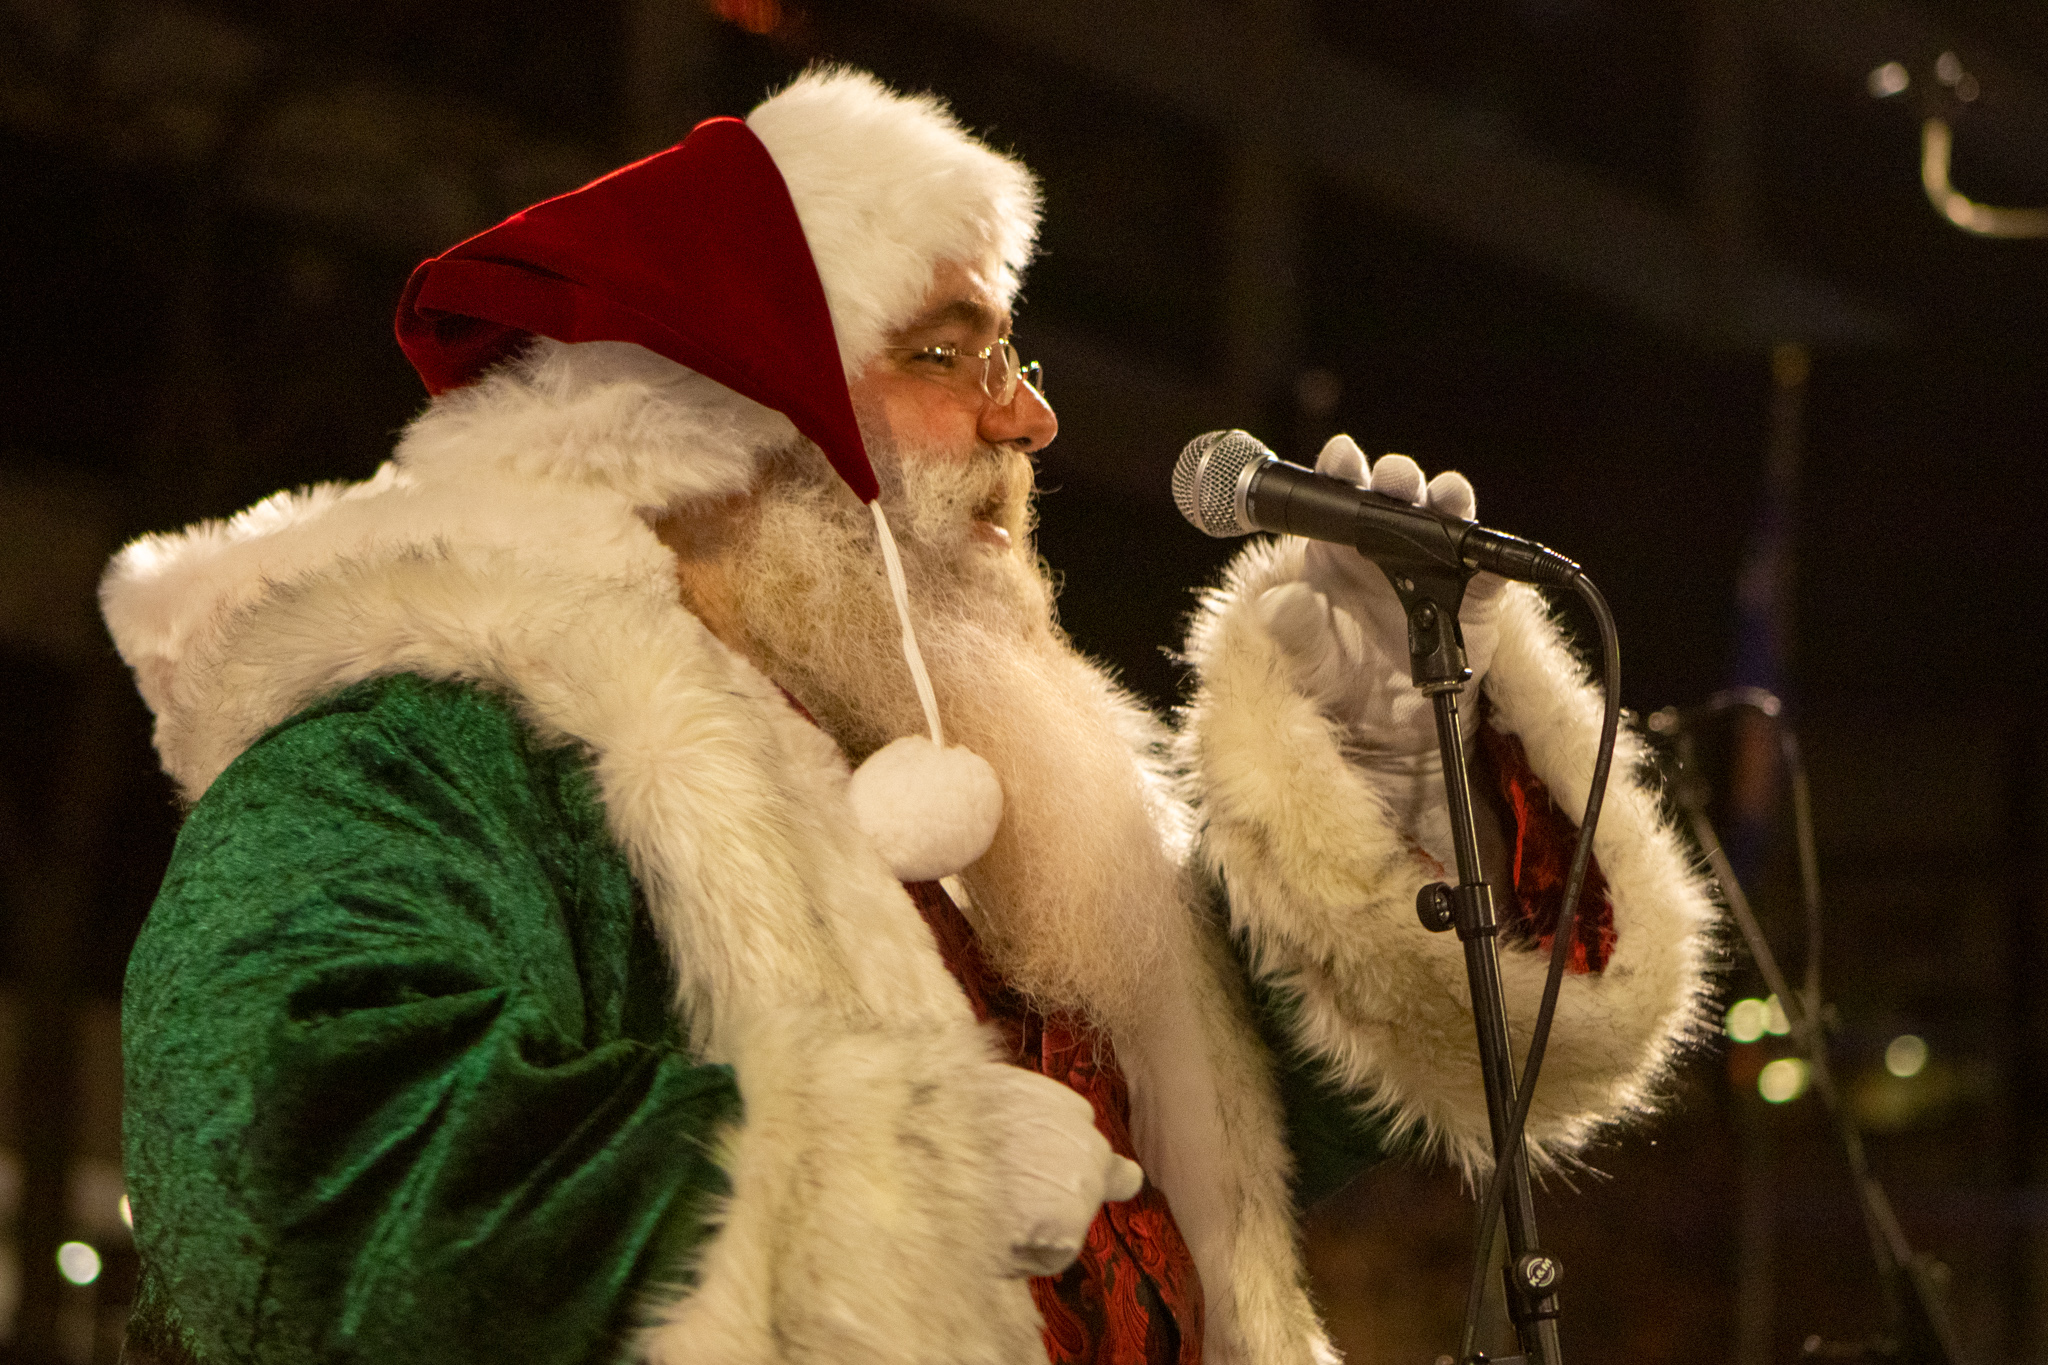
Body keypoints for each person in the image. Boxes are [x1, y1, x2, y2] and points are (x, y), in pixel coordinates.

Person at [102, 67, 1714, 1365]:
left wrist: (1406, 771)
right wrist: (865, 1183)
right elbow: (288, 1189)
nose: (1030, 415)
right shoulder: (422, 753)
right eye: (949, 353)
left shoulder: (963, 787)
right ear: (709, 429)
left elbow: (1298, 1096)